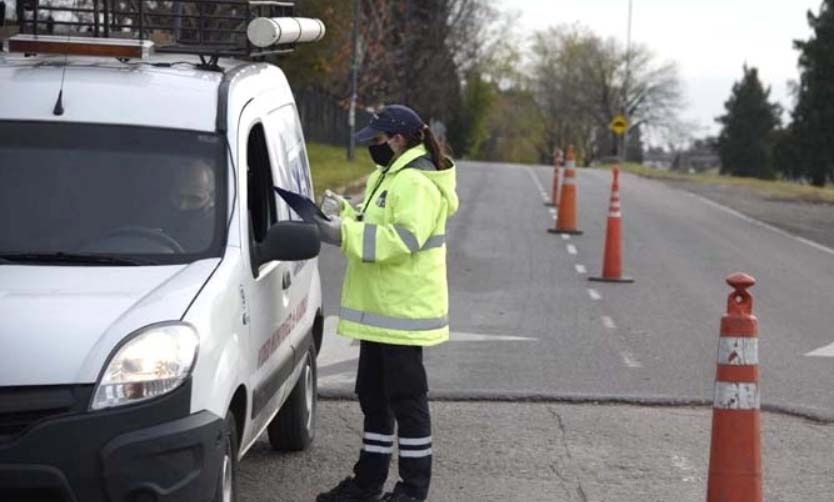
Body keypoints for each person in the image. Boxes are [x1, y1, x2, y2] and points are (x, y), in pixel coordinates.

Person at [314, 105, 459, 502]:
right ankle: (368, 482)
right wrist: (343, 213)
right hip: (382, 313)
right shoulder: (391, 175)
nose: (371, 149)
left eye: (376, 141)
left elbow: (402, 239)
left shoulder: (416, 182)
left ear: (397, 140)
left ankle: (412, 490)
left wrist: (342, 234)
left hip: (402, 314)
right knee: (374, 399)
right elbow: (374, 221)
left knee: (407, 403)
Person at [166, 160, 216, 251]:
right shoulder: (154, 216)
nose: (182, 205)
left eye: (194, 199)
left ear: (211, 197)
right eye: (178, 196)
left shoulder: (216, 232)